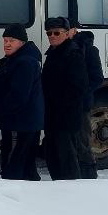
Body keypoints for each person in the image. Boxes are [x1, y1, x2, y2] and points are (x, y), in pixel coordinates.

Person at [0, 24, 45, 181]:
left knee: (13, 165)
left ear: (22, 42)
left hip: (18, 122)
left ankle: (12, 198)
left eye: (11, 40)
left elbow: (19, 95)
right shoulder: (13, 60)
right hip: (21, 122)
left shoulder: (24, 62)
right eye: (5, 40)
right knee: (25, 163)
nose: (7, 44)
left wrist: (4, 111)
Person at [41, 17, 89, 181]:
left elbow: (78, 87)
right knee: (53, 155)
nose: (52, 36)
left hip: (66, 117)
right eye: (49, 33)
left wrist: (61, 103)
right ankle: (59, 187)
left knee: (66, 158)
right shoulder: (53, 54)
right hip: (52, 115)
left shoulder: (72, 54)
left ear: (67, 33)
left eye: (56, 33)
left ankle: (70, 192)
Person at [69, 26, 104, 179]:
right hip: (67, 104)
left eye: (66, 29)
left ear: (73, 30)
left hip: (81, 104)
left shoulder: (89, 49)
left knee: (82, 141)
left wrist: (80, 93)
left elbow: (97, 78)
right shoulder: (61, 48)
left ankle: (89, 176)